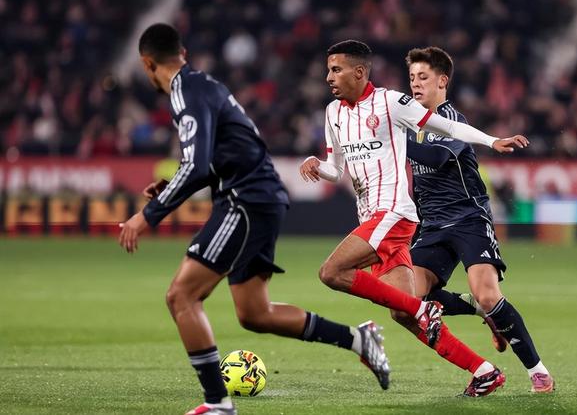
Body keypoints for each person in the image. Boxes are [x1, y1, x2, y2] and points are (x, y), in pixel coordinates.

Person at [119, 25, 391, 415]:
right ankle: (359, 340)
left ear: (147, 64)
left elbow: (197, 165)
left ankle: (217, 403)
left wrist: (147, 216)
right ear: (183, 52)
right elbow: (223, 154)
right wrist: (173, 185)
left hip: (244, 200)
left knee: (181, 296)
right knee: (254, 313)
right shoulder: (202, 86)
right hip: (259, 196)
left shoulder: (184, 91)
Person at [299, 40, 527, 397]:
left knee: (331, 272)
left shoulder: (390, 102)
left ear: (359, 72)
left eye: (336, 69)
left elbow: (446, 128)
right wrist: (317, 165)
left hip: (393, 213)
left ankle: (421, 310)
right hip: (370, 217)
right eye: (329, 70)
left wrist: (492, 140)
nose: (329, 77)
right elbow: (335, 168)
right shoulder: (333, 113)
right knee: (402, 312)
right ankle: (483, 371)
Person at [401, 46, 554, 393]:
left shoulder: (453, 121)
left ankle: (538, 372)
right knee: (410, 301)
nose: (415, 84)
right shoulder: (407, 122)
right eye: (411, 78)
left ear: (442, 81)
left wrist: (392, 142)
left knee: (487, 294)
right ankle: (482, 313)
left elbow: (437, 158)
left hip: (468, 218)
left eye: (423, 77)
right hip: (432, 225)